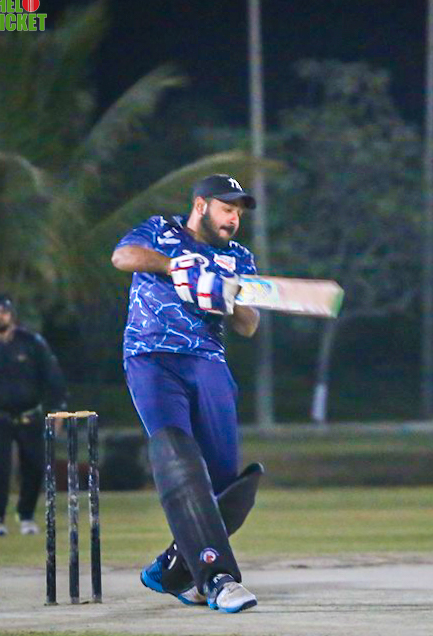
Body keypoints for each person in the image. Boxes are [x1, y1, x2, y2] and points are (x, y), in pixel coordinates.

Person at [111, 174, 263, 614]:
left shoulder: (238, 257)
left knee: (225, 486)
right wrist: (175, 266)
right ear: (201, 205)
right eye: (227, 209)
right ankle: (218, 579)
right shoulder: (161, 230)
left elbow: (249, 325)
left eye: (238, 213)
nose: (234, 219)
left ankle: (173, 569)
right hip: (152, 357)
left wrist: (227, 295)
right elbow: (123, 256)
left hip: (207, 362)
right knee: (178, 457)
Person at [0, 294, 68, 537]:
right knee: (1, 467)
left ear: (11, 315)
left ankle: (26, 515)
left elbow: (52, 375)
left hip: (30, 415)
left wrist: (58, 408)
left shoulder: (32, 343)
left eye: (3, 312)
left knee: (35, 466)